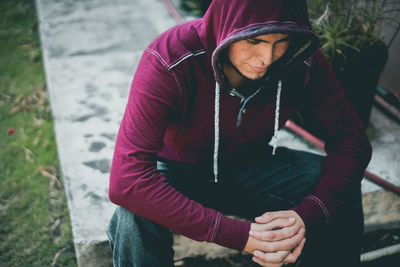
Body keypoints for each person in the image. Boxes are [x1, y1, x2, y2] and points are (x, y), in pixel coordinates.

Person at [107, 0, 372, 266]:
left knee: (336, 184)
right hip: (177, 171)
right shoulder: (170, 59)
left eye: (280, 42)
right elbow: (127, 180)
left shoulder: (299, 60)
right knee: (132, 215)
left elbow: (352, 142)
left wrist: (305, 216)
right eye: (255, 41)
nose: (267, 59)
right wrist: (239, 236)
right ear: (227, 26)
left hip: (251, 165)